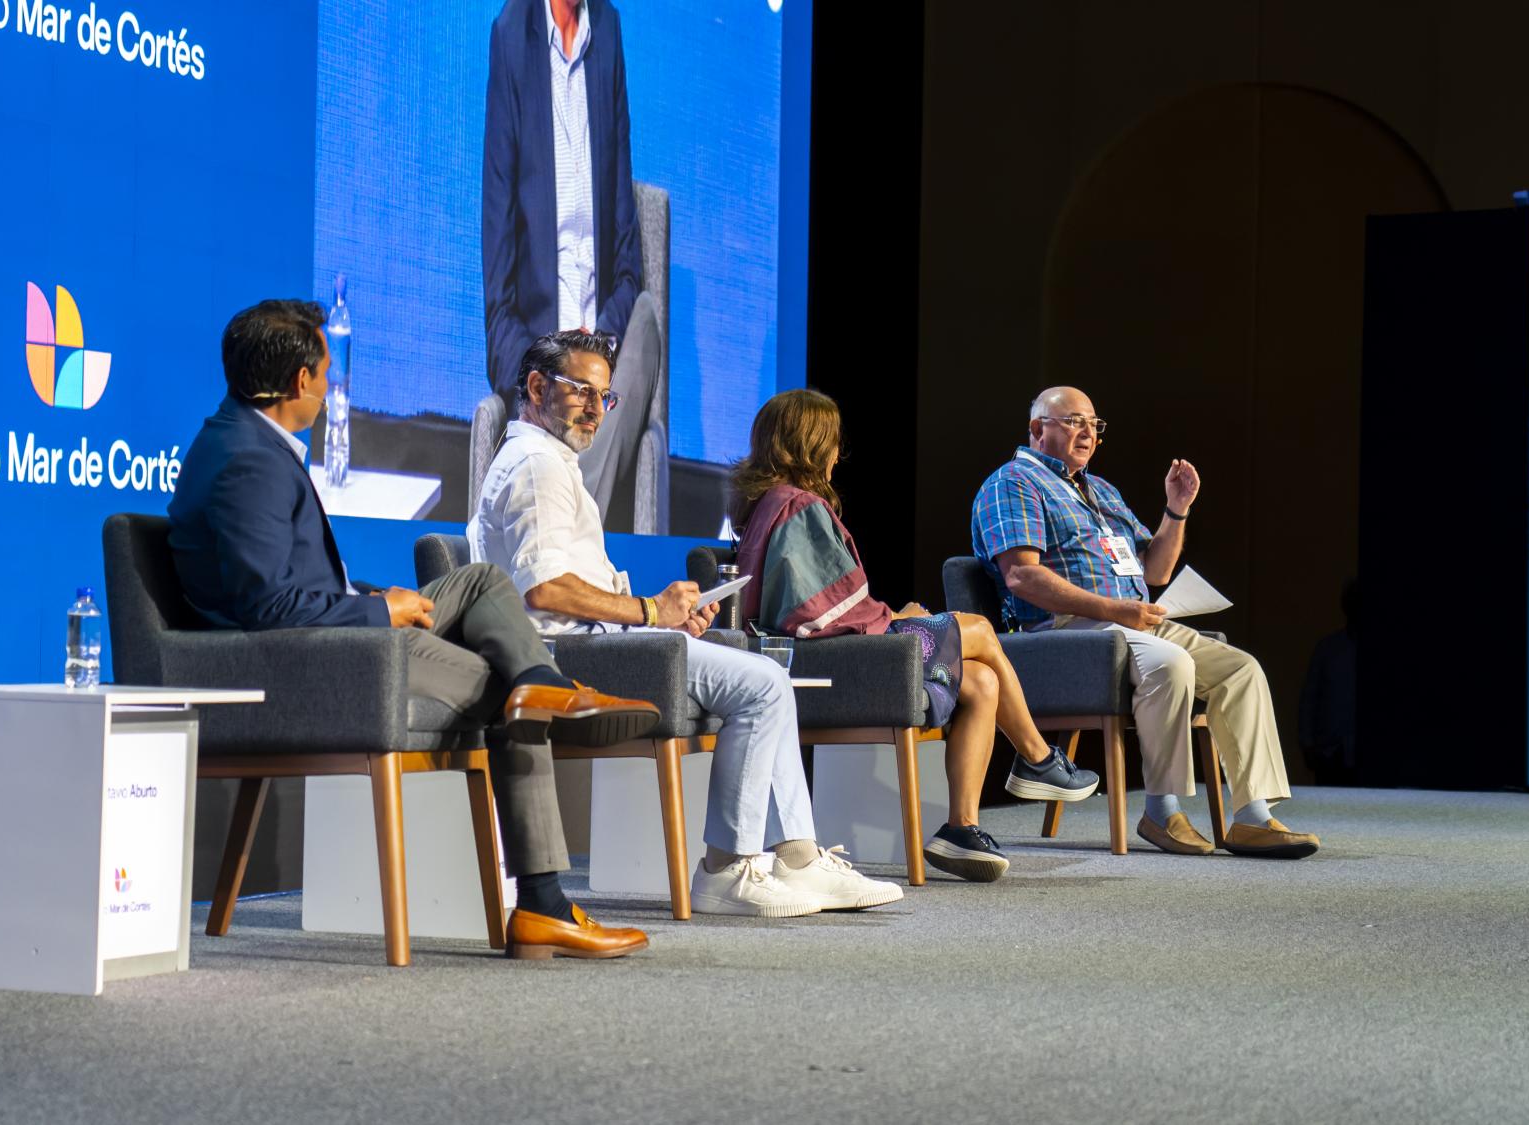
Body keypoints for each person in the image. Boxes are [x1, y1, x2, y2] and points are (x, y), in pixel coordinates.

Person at [169, 299, 660, 959]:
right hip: (316, 661)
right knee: (506, 691)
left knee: (483, 584)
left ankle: (543, 682)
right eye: (325, 370)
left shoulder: (248, 440)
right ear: (298, 382)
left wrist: (380, 598)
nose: (331, 383)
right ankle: (543, 900)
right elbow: (267, 608)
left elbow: (289, 587)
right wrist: (378, 613)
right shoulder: (246, 460)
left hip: (341, 636)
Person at [471, 330, 903, 916]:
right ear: (537, 386)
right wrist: (650, 613)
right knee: (762, 684)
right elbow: (545, 588)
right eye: (583, 392)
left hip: (597, 643)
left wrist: (662, 615)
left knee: (759, 680)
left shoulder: (550, 462)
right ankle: (728, 869)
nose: (597, 410)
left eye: (606, 397)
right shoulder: (537, 466)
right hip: (561, 659)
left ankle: (798, 860)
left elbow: (569, 584)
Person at [729, 390, 1101, 883]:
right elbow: (815, 613)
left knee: (982, 682)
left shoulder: (773, 501)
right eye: (834, 442)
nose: (839, 454)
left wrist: (889, 616)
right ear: (813, 444)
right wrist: (893, 616)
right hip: (829, 664)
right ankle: (1036, 758)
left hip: (836, 654)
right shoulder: (797, 504)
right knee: (981, 631)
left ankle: (960, 828)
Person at [968, 386, 1321, 859]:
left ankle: (1253, 817)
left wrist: (1176, 510)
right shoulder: (1013, 483)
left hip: (1132, 624)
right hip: (1064, 633)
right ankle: (1162, 810)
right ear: (1038, 429)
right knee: (1170, 662)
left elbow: (1154, 570)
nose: (1087, 432)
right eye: (1073, 421)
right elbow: (1022, 576)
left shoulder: (1100, 490)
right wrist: (1116, 610)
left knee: (1241, 669)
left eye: (1094, 424)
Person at [483, 0, 661, 531]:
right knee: (572, 394)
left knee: (647, 315)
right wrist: (541, 375)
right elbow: (498, 237)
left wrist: (598, 346)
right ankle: (578, 542)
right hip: (549, 359)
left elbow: (628, 252)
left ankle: (562, 532)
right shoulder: (512, 35)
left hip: (604, 349)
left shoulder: (606, 27)